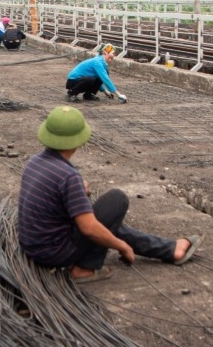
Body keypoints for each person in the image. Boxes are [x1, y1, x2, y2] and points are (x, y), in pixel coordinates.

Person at [18, 106, 200, 283]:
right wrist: (122, 246)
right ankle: (84, 268)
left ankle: (169, 249)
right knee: (116, 200)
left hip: (34, 247)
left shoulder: (35, 161)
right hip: (55, 253)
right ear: (79, 140)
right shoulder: (68, 176)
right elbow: (89, 229)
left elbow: (54, 191)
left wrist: (79, 188)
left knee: (107, 221)